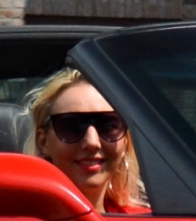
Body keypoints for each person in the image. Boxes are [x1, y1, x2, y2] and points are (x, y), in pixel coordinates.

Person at [26, 69, 149, 213]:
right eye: (72, 126)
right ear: (43, 142)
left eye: (108, 125)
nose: (92, 142)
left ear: (125, 141)